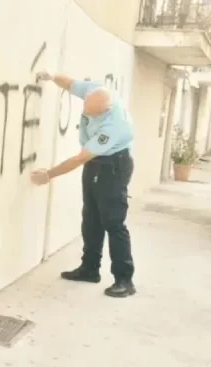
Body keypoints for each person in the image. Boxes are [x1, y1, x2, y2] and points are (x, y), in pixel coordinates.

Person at [32, 72, 136, 298]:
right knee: (91, 218)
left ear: (105, 111)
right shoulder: (94, 91)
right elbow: (69, 83)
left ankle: (124, 280)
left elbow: (80, 158)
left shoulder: (112, 127)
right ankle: (89, 269)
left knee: (113, 221)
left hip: (113, 165)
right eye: (85, 108)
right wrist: (50, 76)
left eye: (91, 113)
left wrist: (48, 175)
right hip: (96, 164)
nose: (85, 113)